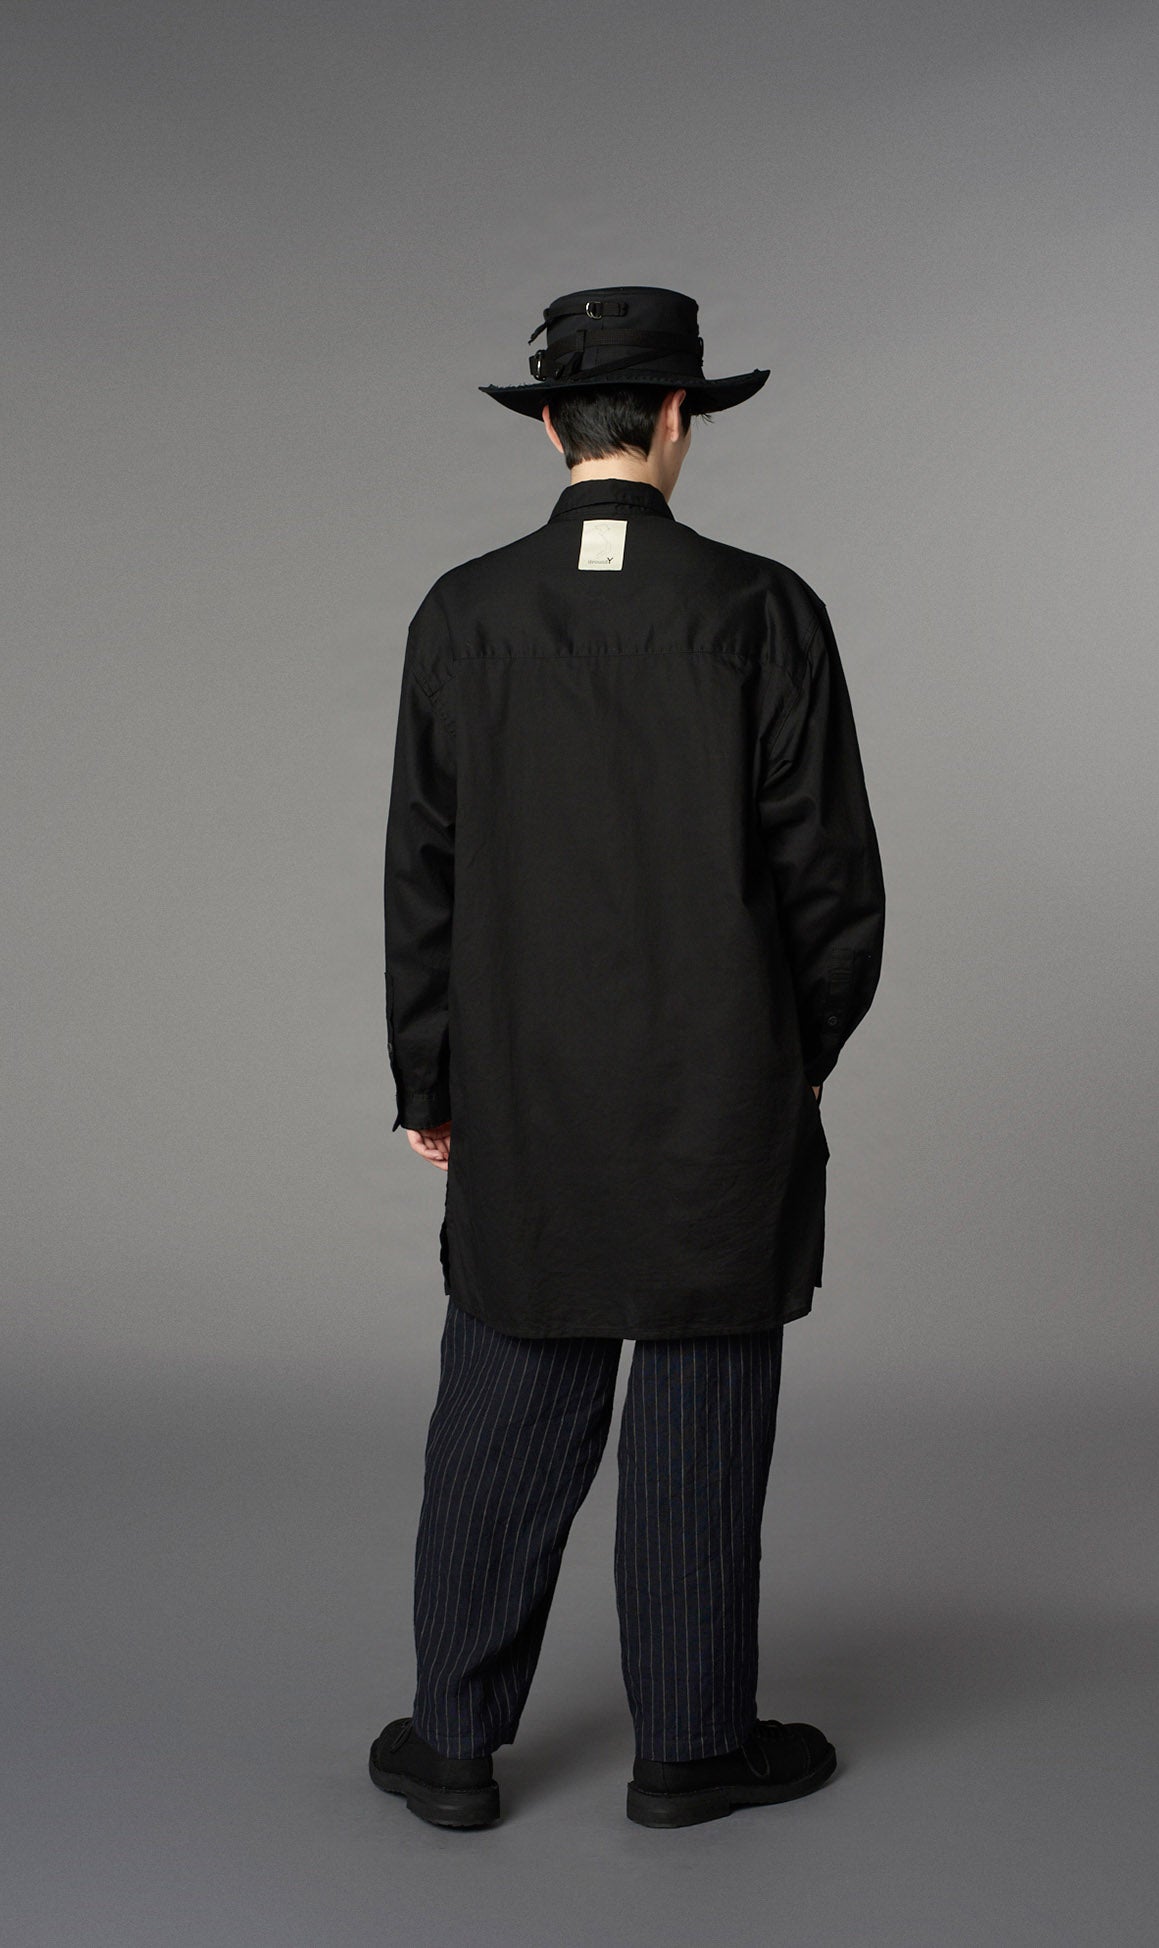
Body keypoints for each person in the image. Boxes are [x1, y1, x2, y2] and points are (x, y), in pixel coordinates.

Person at [370, 286, 885, 1830]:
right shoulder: (762, 609)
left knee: (505, 1388)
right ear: (677, 421)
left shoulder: (463, 613)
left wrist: (428, 1080)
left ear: (549, 424)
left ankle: (452, 1746)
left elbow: (423, 873)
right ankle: (691, 1748)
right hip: (721, 1084)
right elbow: (831, 877)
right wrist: (801, 1050)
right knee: (702, 1401)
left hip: (523, 1085)